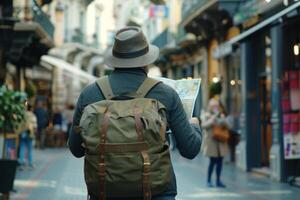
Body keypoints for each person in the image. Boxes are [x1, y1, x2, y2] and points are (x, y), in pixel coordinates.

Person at [68, 26, 202, 200]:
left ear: (115, 59)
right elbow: (190, 149)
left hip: (104, 193)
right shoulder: (166, 94)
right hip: (157, 193)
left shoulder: (90, 94)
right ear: (146, 61)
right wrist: (194, 125)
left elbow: (76, 149)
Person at [201, 81, 229, 188]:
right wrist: (212, 119)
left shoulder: (221, 115)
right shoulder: (206, 114)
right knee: (212, 161)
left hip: (220, 141)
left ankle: (218, 180)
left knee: (220, 161)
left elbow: (227, 126)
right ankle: (208, 180)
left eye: (216, 105)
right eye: (213, 105)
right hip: (211, 141)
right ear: (210, 106)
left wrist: (222, 120)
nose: (215, 107)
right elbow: (204, 125)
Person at [19, 103, 37, 169]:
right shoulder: (33, 115)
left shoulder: (23, 115)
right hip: (30, 134)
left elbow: (20, 124)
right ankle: (30, 163)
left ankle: (21, 164)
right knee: (29, 149)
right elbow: (35, 126)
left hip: (23, 133)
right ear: (31, 109)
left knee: (22, 148)